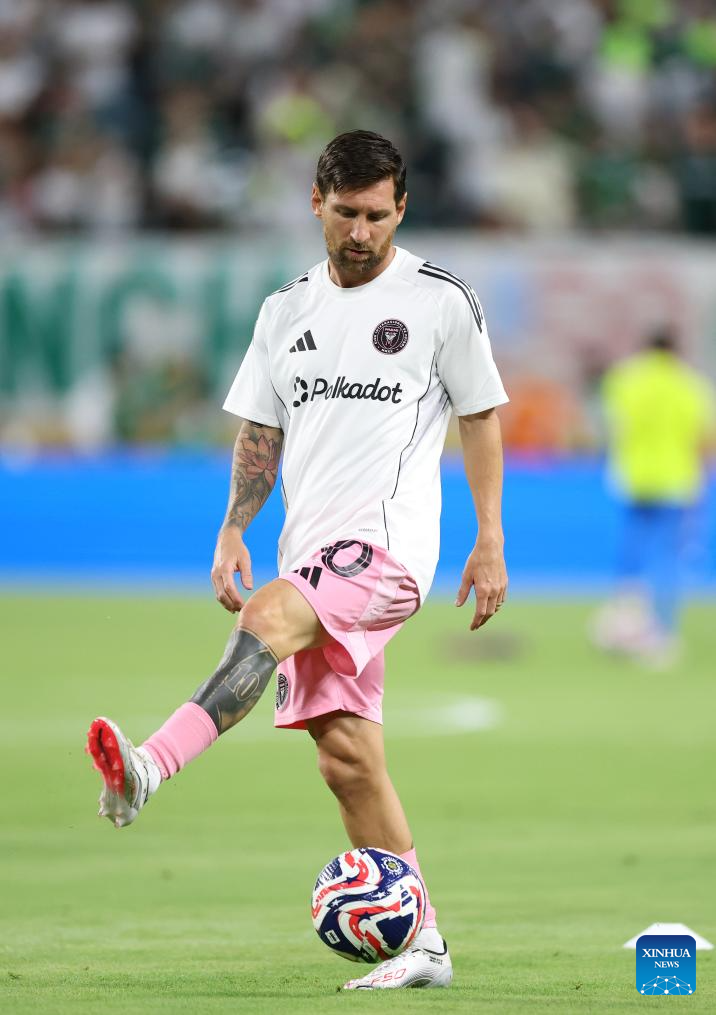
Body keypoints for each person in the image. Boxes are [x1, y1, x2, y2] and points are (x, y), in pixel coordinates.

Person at [86, 130, 509, 991]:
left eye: (379, 215)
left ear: (402, 209)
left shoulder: (439, 300)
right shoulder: (285, 312)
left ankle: (149, 767)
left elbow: (480, 415)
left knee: (269, 615)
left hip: (387, 549)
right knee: (344, 756)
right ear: (316, 203)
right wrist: (232, 527)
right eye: (347, 213)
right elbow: (261, 430)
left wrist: (490, 537)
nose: (362, 232)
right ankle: (425, 943)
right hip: (310, 547)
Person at [591, 325, 715, 664]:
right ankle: (662, 631)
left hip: (633, 478)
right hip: (676, 481)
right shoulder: (690, 383)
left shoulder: (625, 379)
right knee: (668, 557)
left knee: (631, 552)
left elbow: (610, 425)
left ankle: (624, 623)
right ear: (675, 349)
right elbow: (702, 436)